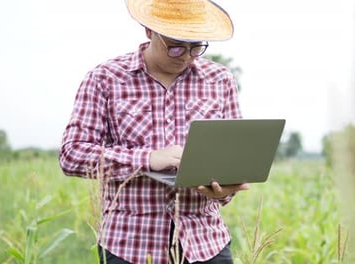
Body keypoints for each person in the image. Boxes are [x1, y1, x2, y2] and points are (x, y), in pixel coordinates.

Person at [59, 0, 249, 263]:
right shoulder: (105, 79)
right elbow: (73, 154)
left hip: (205, 242)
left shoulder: (220, 80)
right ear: (148, 30)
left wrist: (224, 190)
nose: (185, 56)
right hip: (129, 245)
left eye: (196, 48)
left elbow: (232, 157)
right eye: (175, 47)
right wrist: (147, 159)